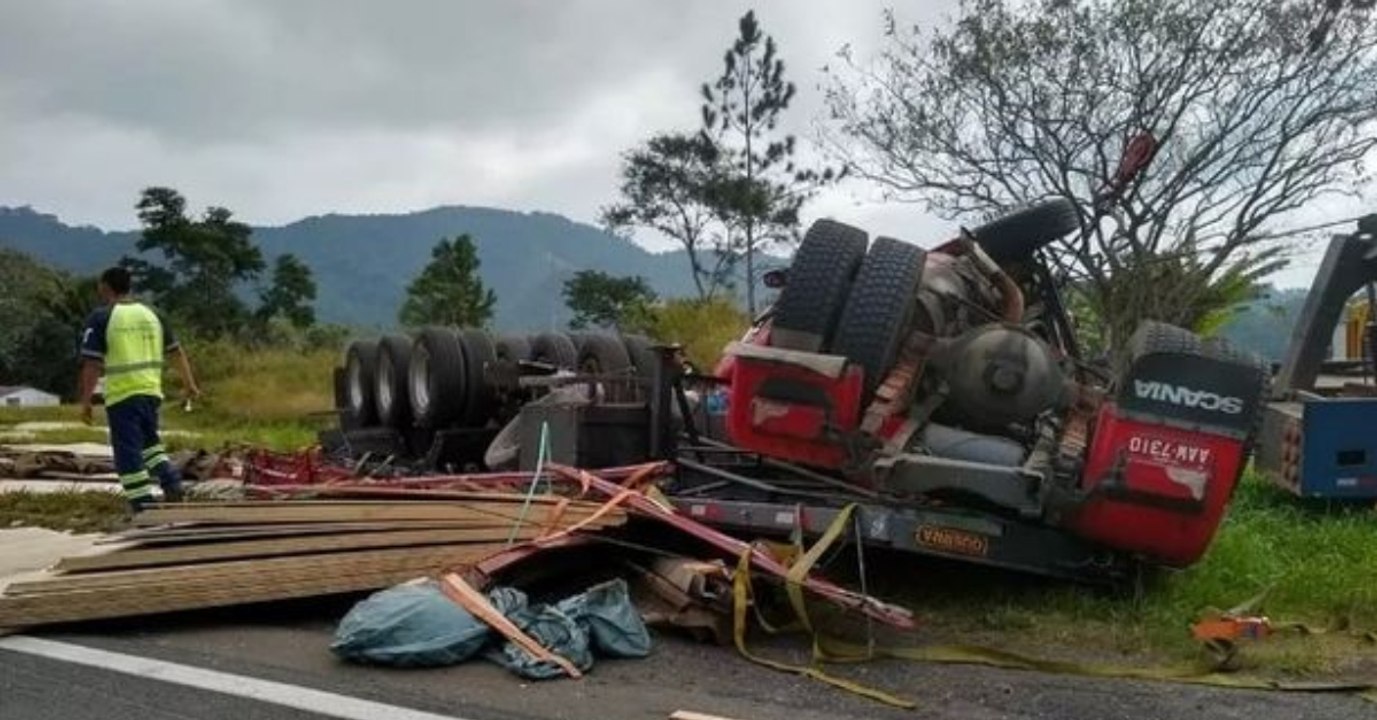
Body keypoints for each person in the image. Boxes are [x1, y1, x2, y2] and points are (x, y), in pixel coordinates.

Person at [78, 267, 201, 511]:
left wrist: (86, 400)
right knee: (150, 445)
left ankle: (141, 503)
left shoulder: (102, 318)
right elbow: (176, 352)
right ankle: (171, 482)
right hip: (151, 393)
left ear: (105, 287)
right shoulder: (152, 314)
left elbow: (92, 363)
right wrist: (190, 385)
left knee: (127, 453)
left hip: (123, 395)